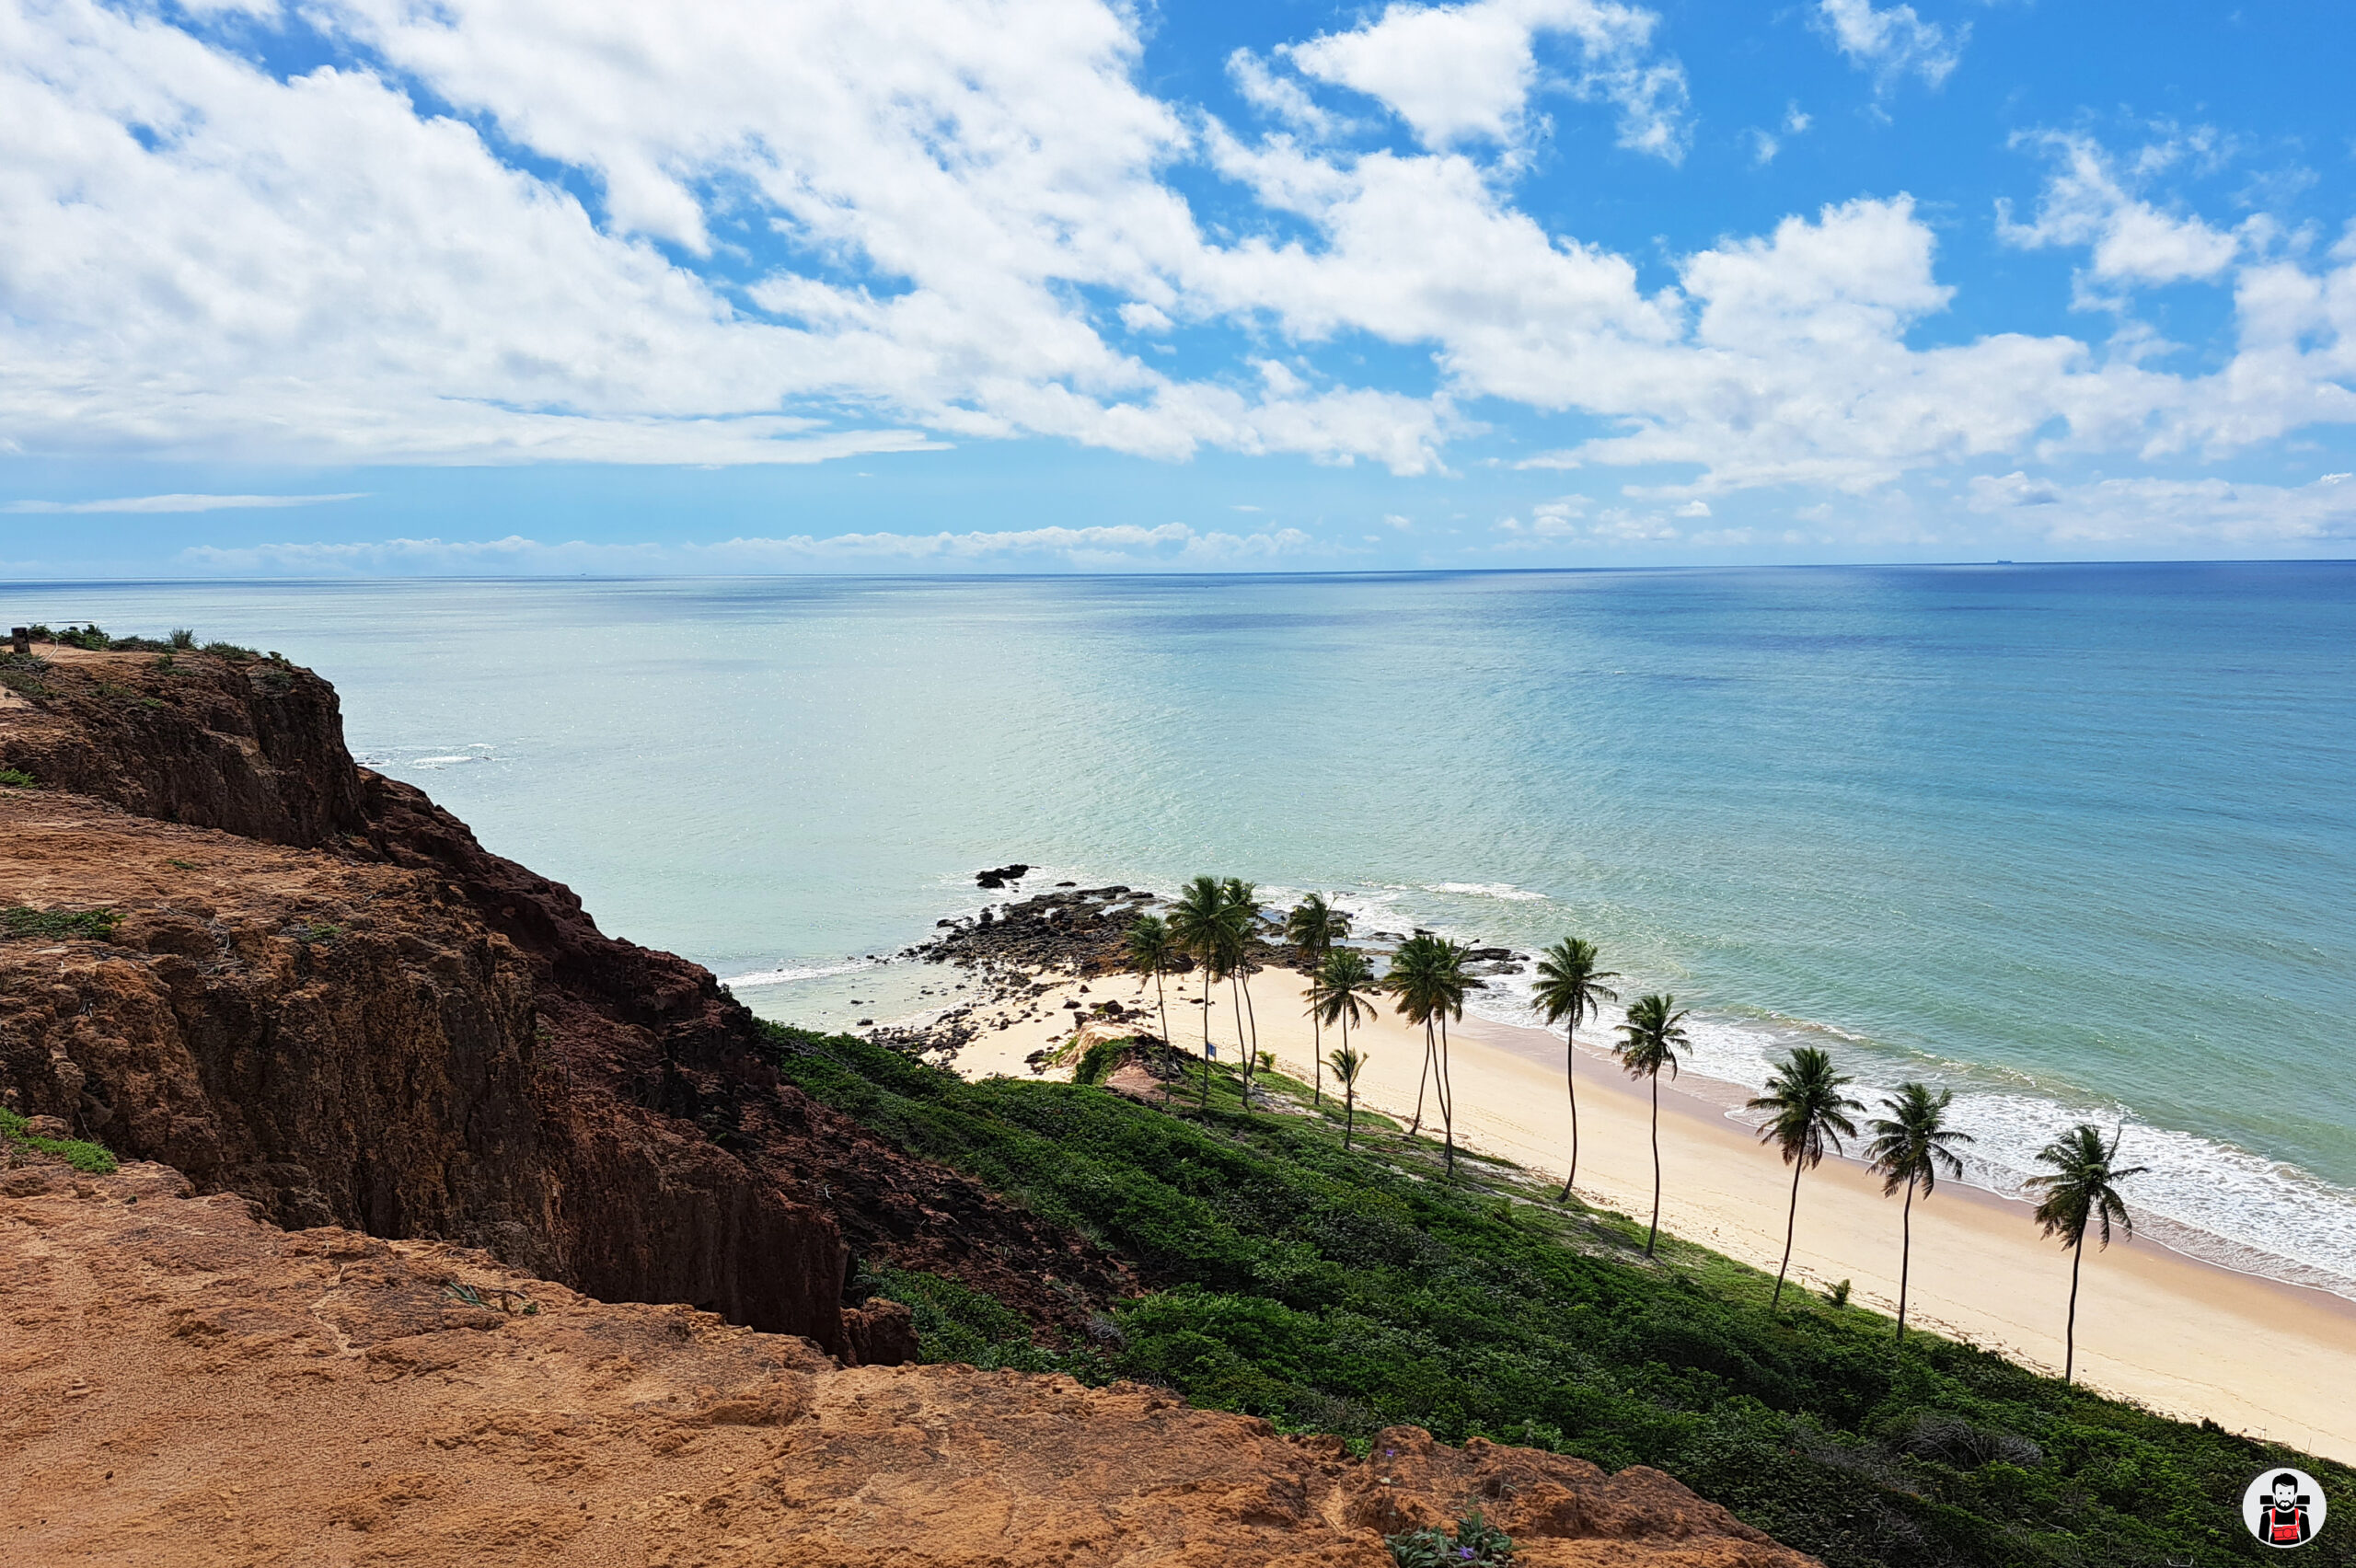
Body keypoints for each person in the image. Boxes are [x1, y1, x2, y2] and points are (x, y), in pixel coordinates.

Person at [2258, 1472, 2313, 1547]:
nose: (2285, 1498)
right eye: (2280, 1493)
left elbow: (2307, 1540)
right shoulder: (2267, 1516)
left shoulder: (2302, 1516)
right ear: (2274, 1494)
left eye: (2289, 1493)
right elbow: (2261, 1540)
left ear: (2295, 1494)